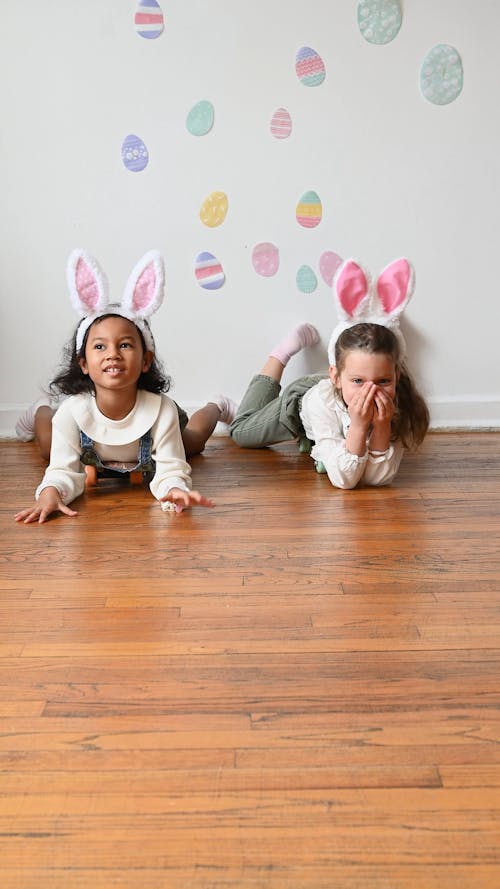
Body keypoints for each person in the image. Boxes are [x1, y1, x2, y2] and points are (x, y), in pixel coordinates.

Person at [15, 248, 236, 524]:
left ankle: (217, 405)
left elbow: (171, 468)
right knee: (48, 446)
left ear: (146, 360)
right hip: (87, 437)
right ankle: (41, 408)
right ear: (83, 363)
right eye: (99, 346)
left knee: (194, 441)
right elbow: (60, 469)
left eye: (125, 345)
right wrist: (50, 492)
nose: (113, 354)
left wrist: (175, 490)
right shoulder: (72, 412)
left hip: (150, 433)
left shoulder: (161, 410)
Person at [229, 257, 429, 489]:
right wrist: (359, 426)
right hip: (301, 402)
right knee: (241, 431)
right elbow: (345, 482)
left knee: (336, 451)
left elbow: (377, 479)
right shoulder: (319, 401)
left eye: (383, 381)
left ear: (397, 376)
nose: (371, 391)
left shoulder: (399, 404)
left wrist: (382, 427)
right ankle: (282, 353)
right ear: (336, 376)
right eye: (358, 381)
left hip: (338, 402)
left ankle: (318, 441)